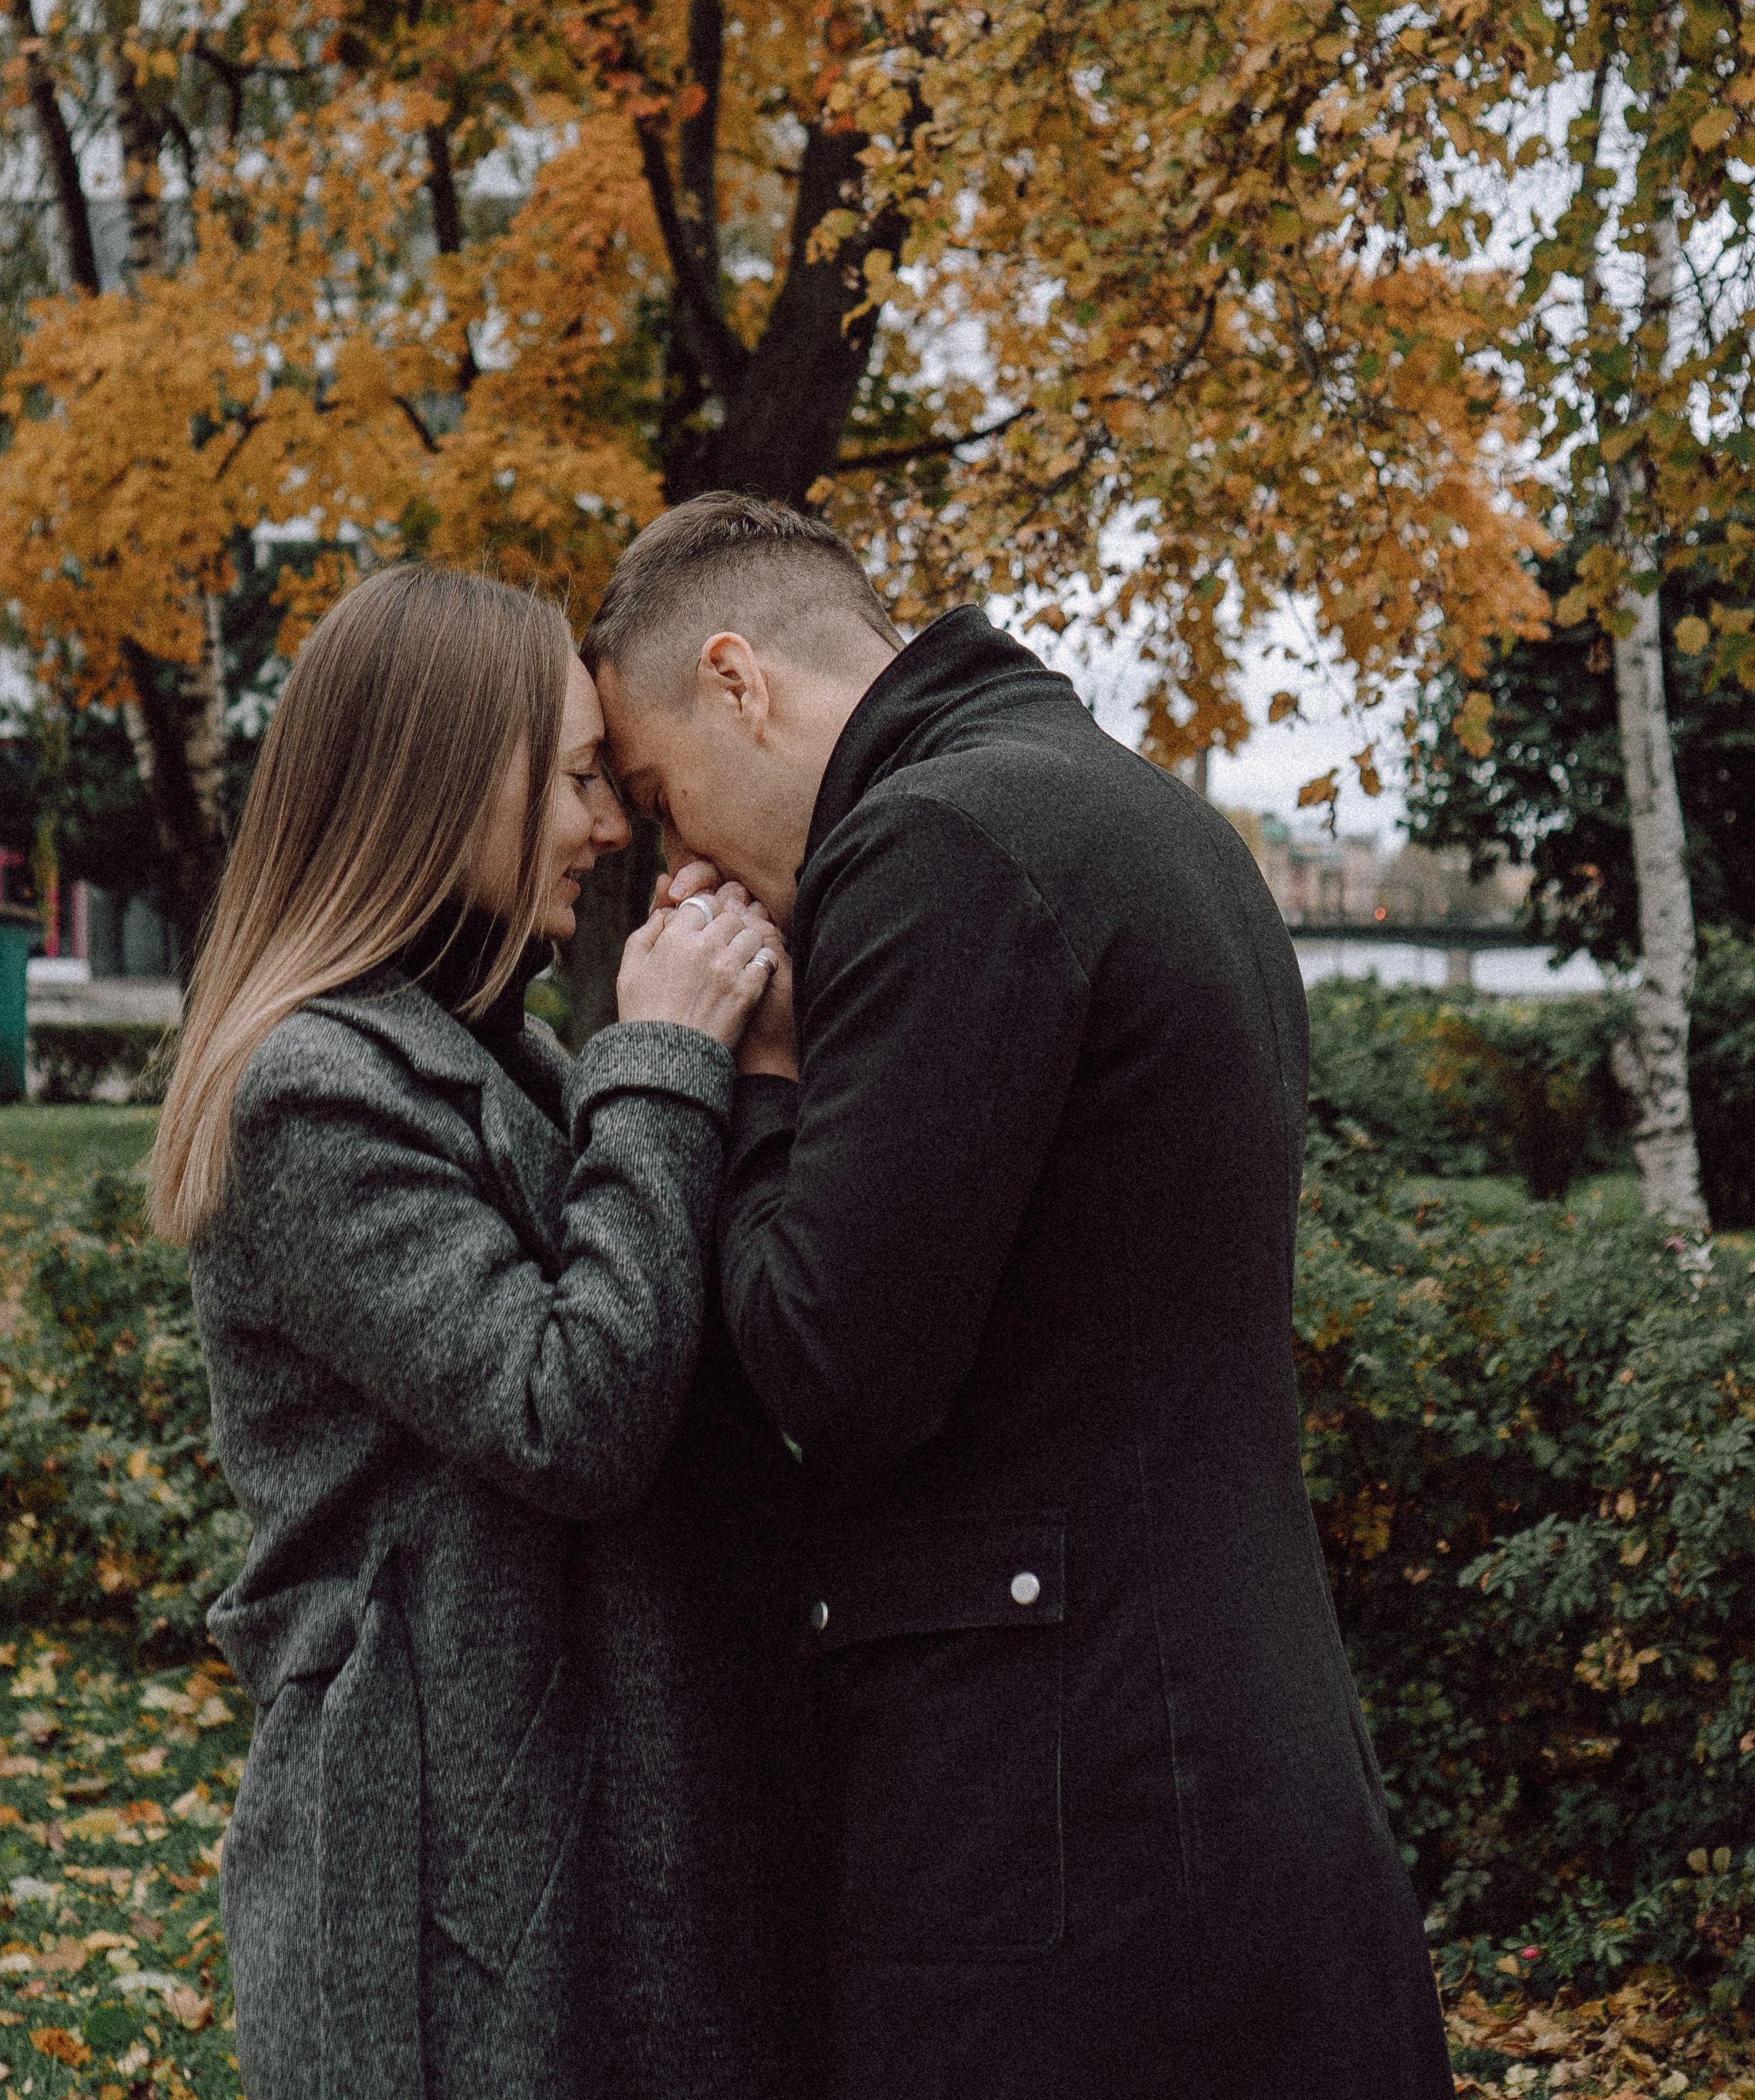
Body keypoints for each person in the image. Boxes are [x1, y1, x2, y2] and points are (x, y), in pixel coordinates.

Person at [584, 494, 1457, 2100]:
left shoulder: (938, 846)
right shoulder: (1135, 812)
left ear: (737, 681)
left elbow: (828, 1367)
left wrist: (749, 1073)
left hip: (1061, 1819)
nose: (676, 852)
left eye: (657, 793)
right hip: (1212, 1765)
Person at [151, 563, 807, 2100]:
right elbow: (564, 1413)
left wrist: (741, 1072)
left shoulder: (496, 1053)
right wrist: (658, 1063)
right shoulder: (312, 1090)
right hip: (451, 1876)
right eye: (579, 775)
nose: (610, 822)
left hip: (586, 1820)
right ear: (445, 780)